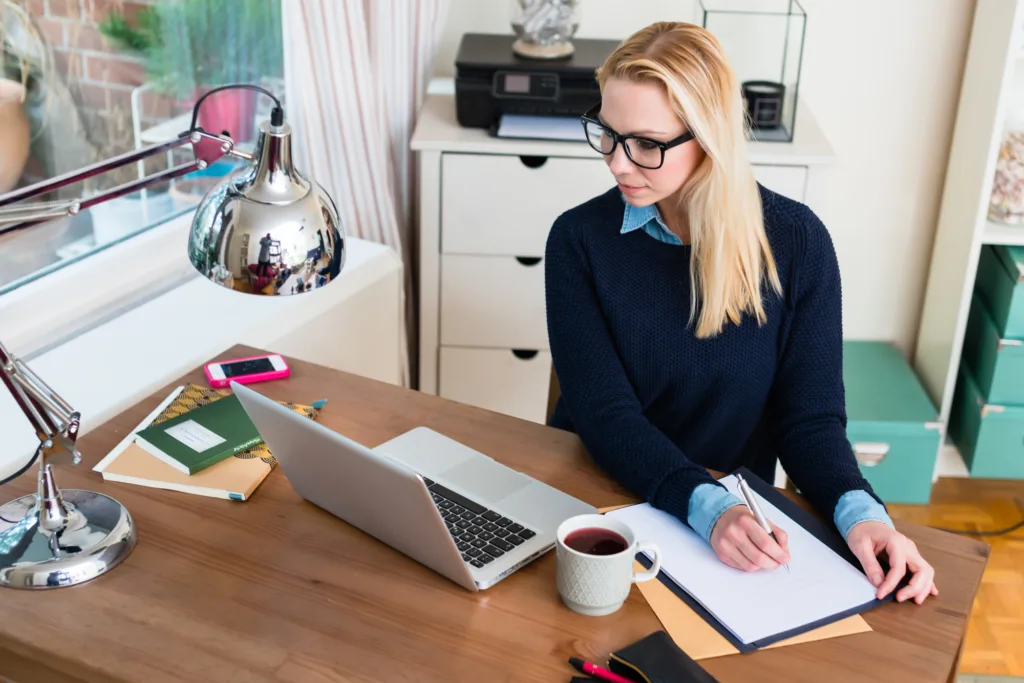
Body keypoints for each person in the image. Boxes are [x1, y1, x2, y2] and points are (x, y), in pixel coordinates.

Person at [545, 21, 937, 605]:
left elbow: (809, 420)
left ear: (709, 137)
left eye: (646, 144)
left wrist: (861, 514)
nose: (618, 164)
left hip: (732, 529)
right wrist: (706, 506)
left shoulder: (797, 243)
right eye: (607, 133)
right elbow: (604, 414)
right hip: (599, 502)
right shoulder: (578, 240)